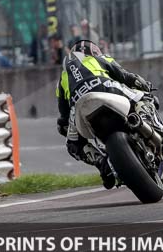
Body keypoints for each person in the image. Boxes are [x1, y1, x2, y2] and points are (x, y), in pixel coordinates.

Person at [55, 40, 154, 189]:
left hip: (79, 106)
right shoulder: (101, 58)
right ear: (93, 51)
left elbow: (63, 117)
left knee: (73, 145)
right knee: (145, 98)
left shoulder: (62, 80)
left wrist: (65, 127)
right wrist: (143, 84)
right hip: (108, 88)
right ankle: (143, 123)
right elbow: (126, 76)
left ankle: (102, 163)